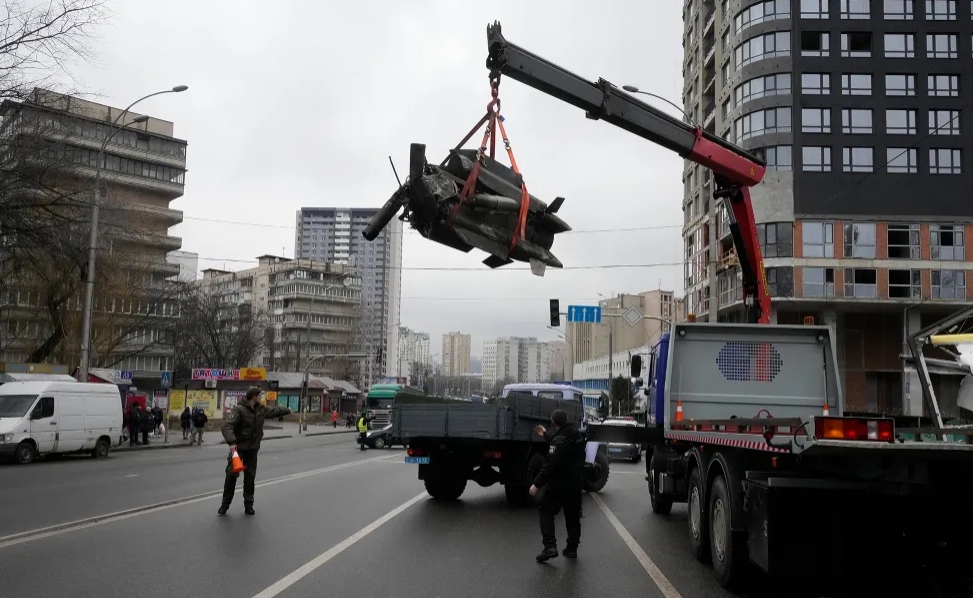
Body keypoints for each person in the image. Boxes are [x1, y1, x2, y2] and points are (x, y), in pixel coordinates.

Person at [218, 387, 291, 516]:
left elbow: (274, 411)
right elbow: (227, 426)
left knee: (250, 478)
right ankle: (225, 505)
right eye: (259, 395)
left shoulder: (260, 409)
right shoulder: (239, 410)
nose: (261, 397)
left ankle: (248, 505)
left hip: (252, 450)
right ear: (253, 396)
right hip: (238, 449)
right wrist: (232, 442)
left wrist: (286, 411)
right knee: (231, 476)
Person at [530, 409, 585, 562]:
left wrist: (536, 484)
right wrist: (545, 434)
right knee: (573, 516)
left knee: (545, 510)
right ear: (567, 419)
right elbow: (560, 439)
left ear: (554, 422)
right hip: (575, 484)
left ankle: (549, 546)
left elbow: (550, 465)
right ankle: (572, 548)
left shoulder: (558, 441)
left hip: (559, 485)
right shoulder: (576, 434)